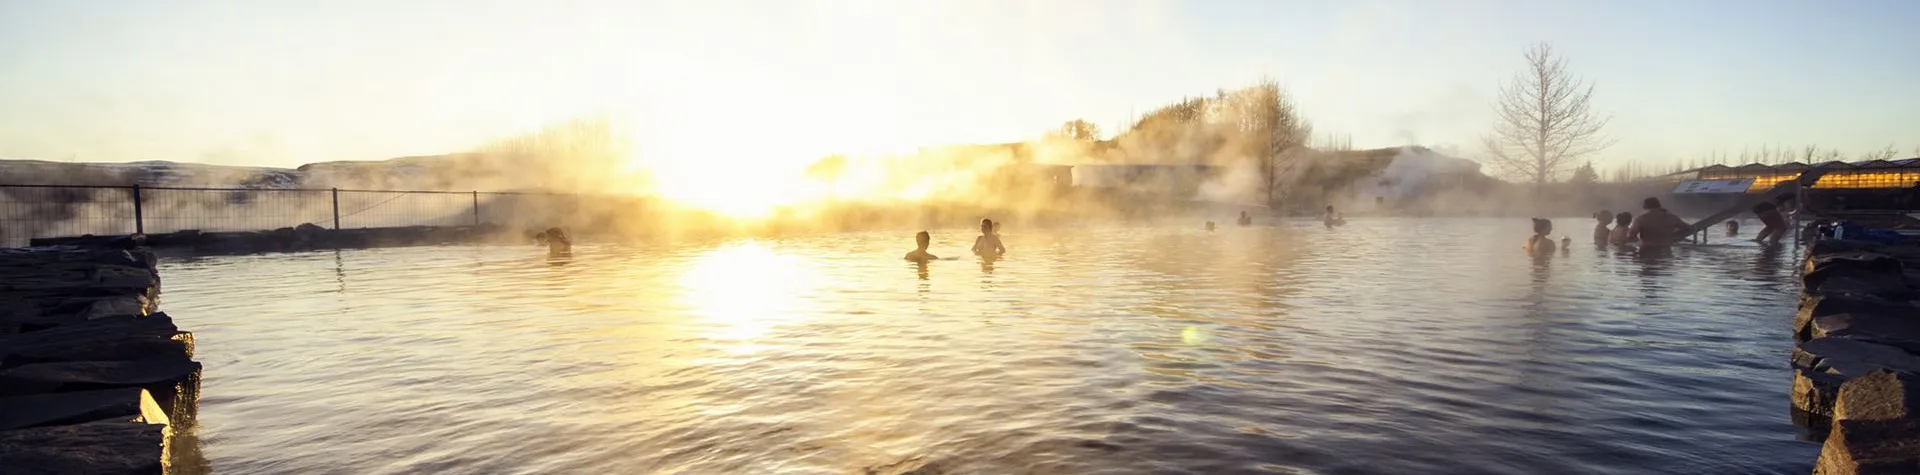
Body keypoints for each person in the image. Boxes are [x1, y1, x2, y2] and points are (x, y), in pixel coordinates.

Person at [1624, 197, 1691, 248]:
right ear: (1659, 206)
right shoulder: (1671, 217)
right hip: (1666, 250)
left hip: (1647, 251)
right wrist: (1674, 232)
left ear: (1644, 207)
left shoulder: (1640, 219)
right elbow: (1688, 228)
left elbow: (1631, 235)